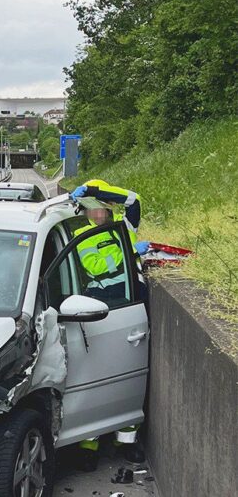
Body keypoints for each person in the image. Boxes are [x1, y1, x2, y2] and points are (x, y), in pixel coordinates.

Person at [69, 179, 148, 470]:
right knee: (96, 377)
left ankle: (126, 442)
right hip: (99, 310)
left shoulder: (124, 226)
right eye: (93, 207)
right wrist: (131, 253)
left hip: (131, 308)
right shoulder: (81, 235)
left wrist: (97, 191)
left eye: (103, 207)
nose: (98, 212)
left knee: (128, 377)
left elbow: (134, 199)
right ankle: (88, 446)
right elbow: (97, 267)